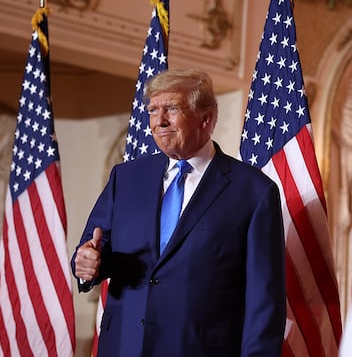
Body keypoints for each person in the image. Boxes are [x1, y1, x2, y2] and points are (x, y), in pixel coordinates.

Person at [72, 69, 286, 356]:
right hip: (123, 346)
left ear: (206, 119)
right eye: (153, 110)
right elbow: (93, 248)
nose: (159, 121)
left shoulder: (253, 192)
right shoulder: (126, 178)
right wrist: (87, 263)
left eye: (171, 109)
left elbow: (264, 302)